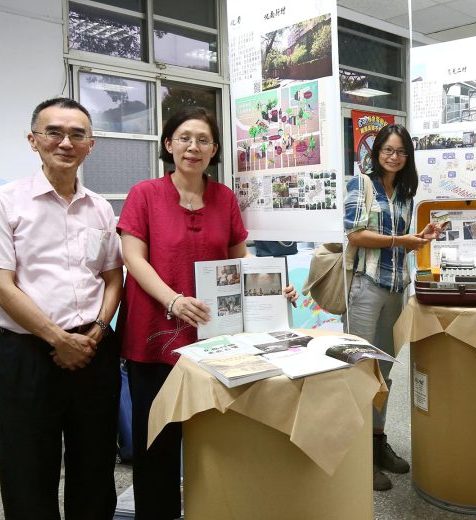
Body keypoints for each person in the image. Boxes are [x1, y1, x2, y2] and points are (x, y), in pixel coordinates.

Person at [117, 107, 297, 519]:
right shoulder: (145, 194)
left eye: (203, 139)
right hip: (155, 335)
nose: (193, 147)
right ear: (168, 144)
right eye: (184, 137)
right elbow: (134, 258)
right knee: (157, 438)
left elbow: (241, 258)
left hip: (215, 338)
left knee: (213, 434)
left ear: (215, 149)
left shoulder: (225, 198)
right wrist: (173, 300)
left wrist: (272, 286)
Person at [0, 97, 123, 519]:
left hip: (93, 347)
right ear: (33, 140)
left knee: (95, 462)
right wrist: (57, 339)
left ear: (91, 144)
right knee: (27, 466)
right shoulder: (8, 201)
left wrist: (100, 329)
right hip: (26, 353)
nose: (65, 142)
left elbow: (112, 276)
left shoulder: (101, 208)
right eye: (54, 132)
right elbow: (2, 284)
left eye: (77, 134)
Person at [344, 124, 441, 491]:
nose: (394, 156)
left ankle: (376, 443)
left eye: (401, 151)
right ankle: (356, 456)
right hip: (366, 288)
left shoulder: (405, 192)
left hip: (397, 289)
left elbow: (404, 241)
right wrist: (401, 239)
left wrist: (423, 236)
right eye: (388, 150)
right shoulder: (361, 185)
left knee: (384, 372)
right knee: (359, 370)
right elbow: (354, 234)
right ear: (377, 152)